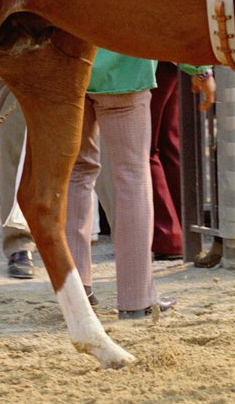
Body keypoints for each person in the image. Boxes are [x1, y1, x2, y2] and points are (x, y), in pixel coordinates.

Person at [64, 50, 213, 316]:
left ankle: (75, 292)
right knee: (132, 176)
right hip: (126, 70)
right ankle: (136, 299)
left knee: (77, 174)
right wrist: (199, 67)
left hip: (70, 69)